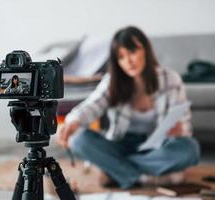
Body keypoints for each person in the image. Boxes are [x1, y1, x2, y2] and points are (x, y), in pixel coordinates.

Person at [57, 26, 200, 189]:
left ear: (145, 50)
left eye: (132, 52)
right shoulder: (112, 81)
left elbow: (184, 123)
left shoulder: (171, 79)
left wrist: (179, 131)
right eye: (121, 57)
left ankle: (117, 171)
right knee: (78, 139)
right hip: (120, 144)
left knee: (190, 149)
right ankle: (142, 176)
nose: (128, 61)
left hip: (156, 149)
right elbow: (91, 106)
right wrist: (73, 121)